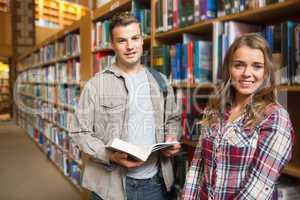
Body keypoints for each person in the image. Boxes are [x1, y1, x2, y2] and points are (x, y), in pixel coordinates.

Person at [69, 11, 181, 200]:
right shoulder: (96, 85)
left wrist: (171, 136)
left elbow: (173, 119)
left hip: (155, 184)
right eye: (122, 41)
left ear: (142, 40)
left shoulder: (160, 81)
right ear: (112, 45)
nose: (130, 46)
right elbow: (79, 132)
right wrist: (108, 155)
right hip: (110, 187)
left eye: (134, 38)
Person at [183, 33, 295, 200]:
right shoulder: (214, 109)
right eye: (239, 65)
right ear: (229, 68)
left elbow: (257, 188)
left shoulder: (276, 117)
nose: (247, 73)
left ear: (266, 72)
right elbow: (198, 165)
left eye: (257, 66)